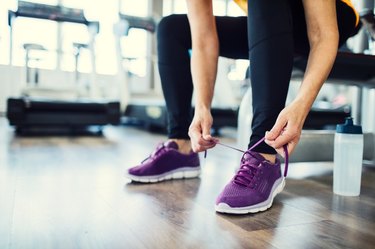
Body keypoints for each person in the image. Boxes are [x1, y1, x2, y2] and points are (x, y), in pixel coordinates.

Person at [126, 0, 360, 214]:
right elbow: (204, 41)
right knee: (171, 28)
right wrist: (202, 107)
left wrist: (300, 105)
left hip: (331, 20)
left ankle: (264, 156)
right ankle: (181, 147)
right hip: (269, 17)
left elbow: (323, 34)